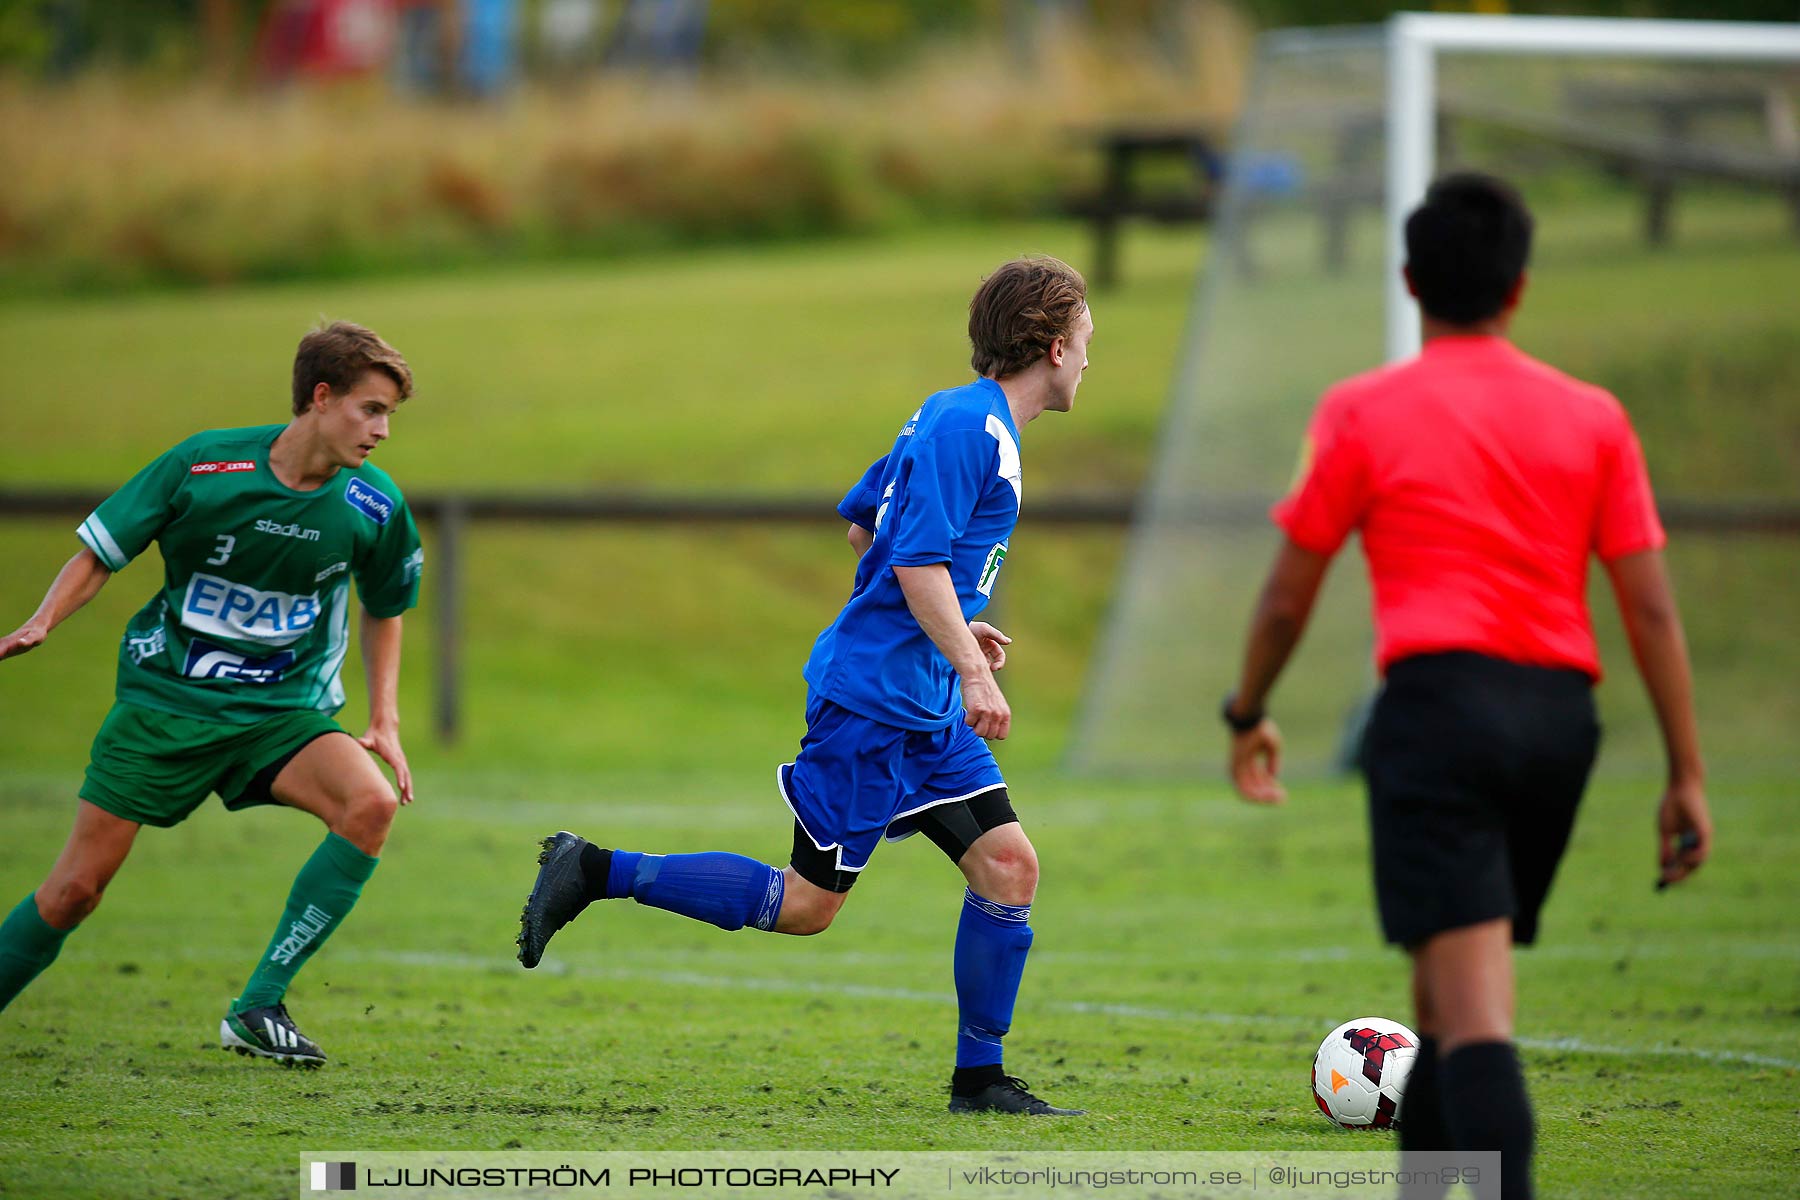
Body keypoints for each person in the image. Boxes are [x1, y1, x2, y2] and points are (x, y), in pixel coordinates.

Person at [1222, 173, 1711, 1200]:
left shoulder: (1363, 409)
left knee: (1476, 1015)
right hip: (1559, 725)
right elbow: (1652, 613)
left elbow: (1283, 598)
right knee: (1441, 1004)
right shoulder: (1595, 417)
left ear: (1409, 282)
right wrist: (1686, 772)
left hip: (1442, 715)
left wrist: (1248, 708)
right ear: (1519, 288)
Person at [518, 256, 1094, 1116]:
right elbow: (913, 556)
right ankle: (596, 869)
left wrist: (953, 621)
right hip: (871, 707)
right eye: (1087, 343)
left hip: (922, 704)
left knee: (1009, 866)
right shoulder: (967, 430)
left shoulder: (960, 422)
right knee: (806, 907)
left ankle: (981, 1081)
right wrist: (968, 659)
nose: (1090, 360)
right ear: (1052, 347)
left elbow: (871, 527)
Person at [0, 321, 424, 1068]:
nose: (383, 430)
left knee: (371, 803)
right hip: (166, 707)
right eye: (371, 409)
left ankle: (259, 1005)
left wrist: (383, 717)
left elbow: (387, 605)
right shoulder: (204, 466)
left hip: (281, 715)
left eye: (389, 413)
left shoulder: (375, 504)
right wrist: (44, 618)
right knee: (73, 893)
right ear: (320, 399)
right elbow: (103, 552)